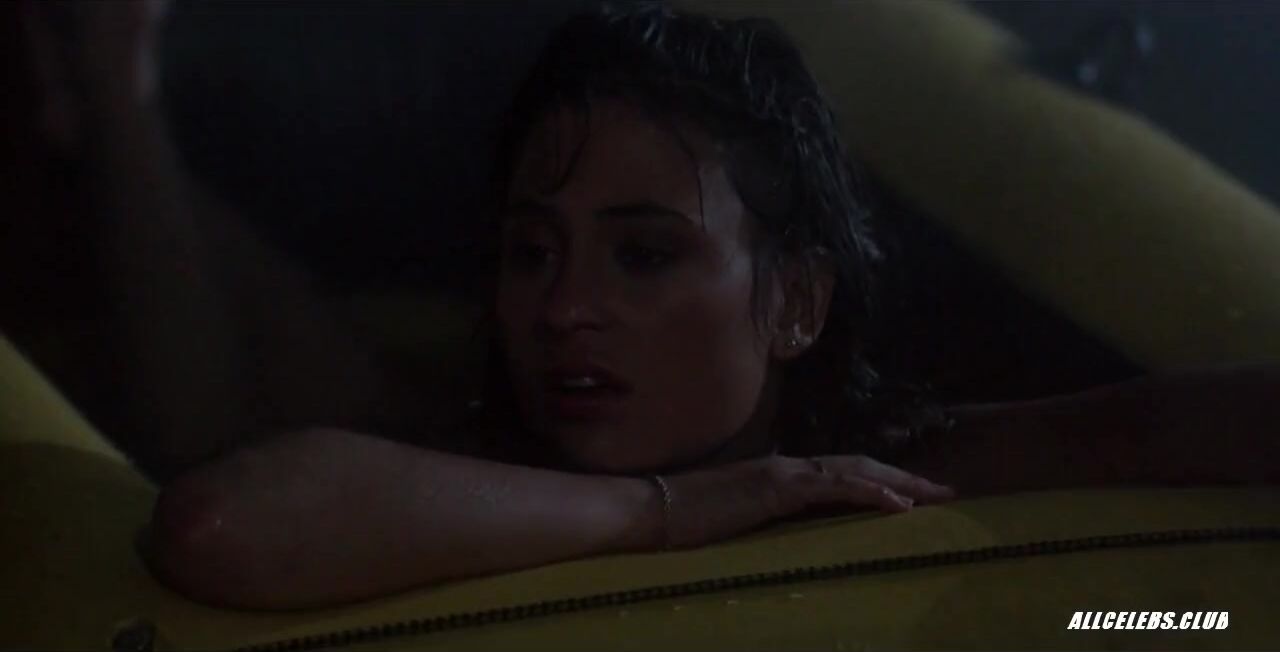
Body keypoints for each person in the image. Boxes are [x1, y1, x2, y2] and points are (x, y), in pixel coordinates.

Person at [19, 0, 1279, 611]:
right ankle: (116, 106)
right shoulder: (478, 462)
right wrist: (660, 512)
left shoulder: (887, 470)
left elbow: (1143, 428)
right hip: (433, 450)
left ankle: (115, 109)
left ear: (793, 301)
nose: (564, 306)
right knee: (322, 394)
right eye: (530, 251)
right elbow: (215, 518)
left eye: (643, 256)